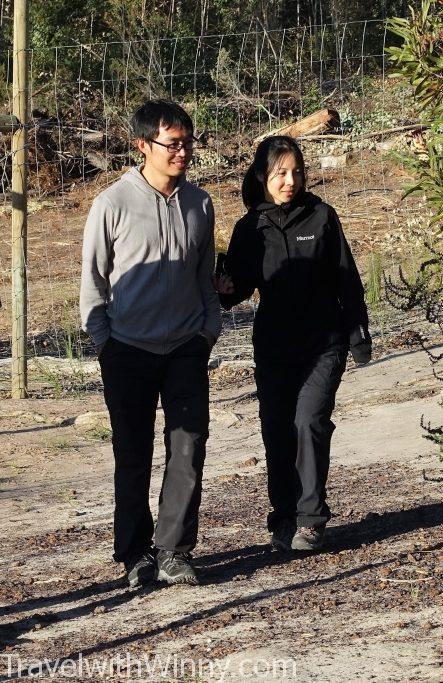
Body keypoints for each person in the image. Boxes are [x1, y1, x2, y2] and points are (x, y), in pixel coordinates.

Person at [80, 100, 220, 587]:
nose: (182, 152)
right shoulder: (111, 204)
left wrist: (208, 330)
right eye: (171, 144)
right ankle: (135, 553)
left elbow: (206, 277)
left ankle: (174, 549)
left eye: (187, 142)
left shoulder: (200, 204)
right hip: (127, 351)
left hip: (186, 345)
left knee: (188, 447)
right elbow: (93, 283)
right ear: (143, 146)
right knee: (133, 454)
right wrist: (105, 343)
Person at [215, 135, 371, 552]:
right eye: (281, 173)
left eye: (297, 172)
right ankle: (283, 517)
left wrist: (358, 333)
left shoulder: (322, 216)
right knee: (277, 431)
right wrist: (224, 288)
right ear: (262, 176)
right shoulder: (250, 227)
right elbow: (237, 289)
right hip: (274, 346)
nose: (290, 181)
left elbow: (346, 278)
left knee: (309, 421)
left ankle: (311, 518)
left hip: (324, 341)